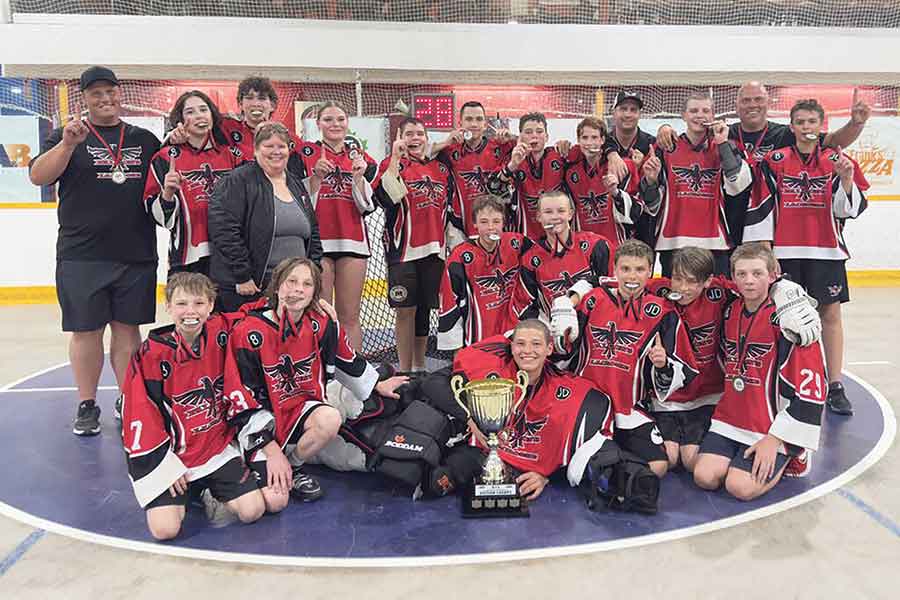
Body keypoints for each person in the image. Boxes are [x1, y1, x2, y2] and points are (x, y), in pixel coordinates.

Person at [29, 66, 161, 436]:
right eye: (96, 94)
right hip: (82, 254)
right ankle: (87, 404)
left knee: (127, 331)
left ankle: (128, 398)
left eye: (110, 92)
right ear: (84, 99)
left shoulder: (144, 139)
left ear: (120, 93)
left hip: (135, 252)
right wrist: (68, 144)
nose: (105, 99)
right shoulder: (66, 135)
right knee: (86, 331)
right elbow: (39, 176)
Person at [223, 258, 407, 510]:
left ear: (314, 293)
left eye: (307, 284)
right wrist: (269, 448)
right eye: (292, 282)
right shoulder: (248, 332)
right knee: (276, 503)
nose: (298, 289)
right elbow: (241, 395)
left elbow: (346, 359)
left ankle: (295, 465)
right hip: (261, 423)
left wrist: (376, 384)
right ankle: (253, 462)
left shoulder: (320, 324)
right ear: (277, 286)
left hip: (300, 412)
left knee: (330, 419)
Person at [645, 246, 821, 472]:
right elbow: (623, 283)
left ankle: (789, 452)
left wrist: (791, 299)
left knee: (692, 462)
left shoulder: (719, 293)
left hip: (707, 395)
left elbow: (761, 285)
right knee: (670, 458)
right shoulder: (658, 292)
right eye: (678, 279)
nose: (683, 288)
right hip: (669, 394)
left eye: (692, 281)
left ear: (707, 281)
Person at [744, 98, 869, 415]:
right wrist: (765, 252)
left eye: (812, 122)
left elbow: (848, 210)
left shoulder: (836, 159)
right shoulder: (775, 160)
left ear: (820, 125)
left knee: (830, 316)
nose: (806, 127)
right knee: (778, 316)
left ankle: (835, 384)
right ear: (791, 126)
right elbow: (761, 207)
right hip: (784, 253)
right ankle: (782, 377)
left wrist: (845, 178)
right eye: (800, 122)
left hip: (826, 252)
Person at [123, 273, 266, 540]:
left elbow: (258, 312)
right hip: (173, 455)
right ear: (168, 307)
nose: (190, 311)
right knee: (165, 531)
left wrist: (309, 302)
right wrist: (163, 466)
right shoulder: (152, 354)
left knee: (253, 510)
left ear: (211, 306)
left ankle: (208, 488)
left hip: (214, 449)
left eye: (199, 303)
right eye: (181, 304)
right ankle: (190, 491)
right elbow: (139, 414)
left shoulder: (220, 331)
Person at [552, 239, 699, 477]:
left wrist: (662, 365)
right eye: (625, 269)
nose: (632, 276)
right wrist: (563, 320)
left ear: (650, 271)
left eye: (640, 269)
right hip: (587, 403)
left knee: (660, 467)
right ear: (615, 270)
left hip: (629, 408)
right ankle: (609, 462)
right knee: (563, 462)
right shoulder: (593, 300)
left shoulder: (662, 311)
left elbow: (683, 368)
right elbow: (566, 349)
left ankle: (610, 463)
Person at [655, 81, 870, 244]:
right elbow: (689, 138)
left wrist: (856, 124)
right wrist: (665, 127)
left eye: (758, 99)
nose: (752, 105)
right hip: (726, 221)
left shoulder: (786, 134)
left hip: (768, 226)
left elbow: (832, 141)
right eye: (746, 100)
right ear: (736, 105)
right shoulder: (722, 134)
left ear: (768, 103)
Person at [693, 243, 826, 500]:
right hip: (733, 417)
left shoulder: (791, 320)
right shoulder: (731, 308)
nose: (749, 281)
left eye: (757, 273)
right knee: (704, 477)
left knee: (739, 487)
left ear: (773, 275)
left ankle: (794, 453)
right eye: (741, 274)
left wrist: (776, 440)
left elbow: (811, 387)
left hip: (771, 424)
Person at [439, 319, 616, 501]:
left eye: (536, 344)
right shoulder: (489, 374)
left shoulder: (570, 391)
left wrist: (547, 477)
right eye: (521, 344)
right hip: (482, 453)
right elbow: (433, 383)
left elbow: (578, 446)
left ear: (549, 349)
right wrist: (470, 420)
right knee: (438, 480)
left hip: (522, 471)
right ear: (512, 346)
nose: (527, 351)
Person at [208, 122, 322, 313]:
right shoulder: (238, 180)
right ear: (256, 150)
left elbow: (313, 231)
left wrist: (314, 272)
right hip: (252, 288)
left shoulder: (295, 183)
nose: (276, 152)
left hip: (292, 289)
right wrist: (242, 276)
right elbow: (224, 230)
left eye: (281, 146)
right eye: (269, 146)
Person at [373, 117, 457, 372]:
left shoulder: (441, 168)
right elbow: (387, 198)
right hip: (403, 252)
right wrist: (397, 159)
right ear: (399, 137)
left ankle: (420, 368)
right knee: (405, 310)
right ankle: (405, 369)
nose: (415, 138)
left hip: (434, 250)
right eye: (409, 134)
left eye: (420, 133)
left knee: (424, 310)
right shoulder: (392, 164)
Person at [640, 93, 752, 277]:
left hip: (716, 244)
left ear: (713, 116)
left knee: (716, 302)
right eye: (693, 110)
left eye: (705, 111)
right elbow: (651, 206)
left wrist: (722, 142)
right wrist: (651, 181)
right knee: (676, 300)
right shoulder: (666, 148)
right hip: (673, 243)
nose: (699, 115)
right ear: (683, 115)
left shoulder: (726, 146)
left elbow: (737, 186)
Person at [301, 101, 377, 351]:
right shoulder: (306, 154)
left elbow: (366, 206)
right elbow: (302, 204)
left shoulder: (360, 157)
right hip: (318, 243)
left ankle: (355, 379)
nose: (335, 124)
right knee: (322, 315)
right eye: (329, 119)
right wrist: (316, 177)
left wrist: (359, 177)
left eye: (340, 119)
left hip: (352, 241)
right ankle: (323, 373)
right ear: (318, 123)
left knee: (350, 317)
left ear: (348, 123)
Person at [144, 90, 239, 276]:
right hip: (187, 258)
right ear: (179, 120)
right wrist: (168, 194)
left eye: (203, 109)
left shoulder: (232, 155)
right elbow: (157, 217)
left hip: (231, 256)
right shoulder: (165, 157)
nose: (199, 116)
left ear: (212, 115)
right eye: (190, 112)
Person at [511, 190, 613, 322]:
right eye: (548, 212)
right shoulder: (530, 259)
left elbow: (612, 286)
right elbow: (525, 305)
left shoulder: (596, 245)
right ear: (538, 216)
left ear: (570, 214)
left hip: (596, 326)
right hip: (558, 331)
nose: (555, 217)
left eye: (561, 211)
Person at [438, 195, 523, 351]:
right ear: (475, 224)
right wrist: (459, 353)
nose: (491, 227)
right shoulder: (460, 257)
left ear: (504, 222)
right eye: (484, 222)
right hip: (476, 342)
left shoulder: (516, 244)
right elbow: (450, 304)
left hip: (512, 337)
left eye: (496, 221)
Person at [429, 101, 516, 237]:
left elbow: (528, 147)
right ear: (460, 124)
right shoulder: (450, 150)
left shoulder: (499, 147)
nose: (474, 124)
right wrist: (446, 142)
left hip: (494, 225)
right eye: (469, 119)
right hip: (460, 225)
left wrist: (512, 137)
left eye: (479, 119)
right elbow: (423, 155)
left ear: (485, 124)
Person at [562, 116, 641, 252]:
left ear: (603, 140)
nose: (589, 143)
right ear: (578, 141)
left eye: (594, 137)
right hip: (582, 246)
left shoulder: (622, 166)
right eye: (585, 138)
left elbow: (637, 210)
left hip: (615, 245)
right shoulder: (570, 172)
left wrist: (616, 193)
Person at [487, 112, 566, 238]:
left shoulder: (560, 157)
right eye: (528, 132)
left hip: (557, 235)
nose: (534, 136)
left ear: (547, 137)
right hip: (524, 236)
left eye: (539, 131)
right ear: (520, 137)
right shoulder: (513, 159)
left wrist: (566, 144)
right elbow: (493, 188)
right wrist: (512, 165)